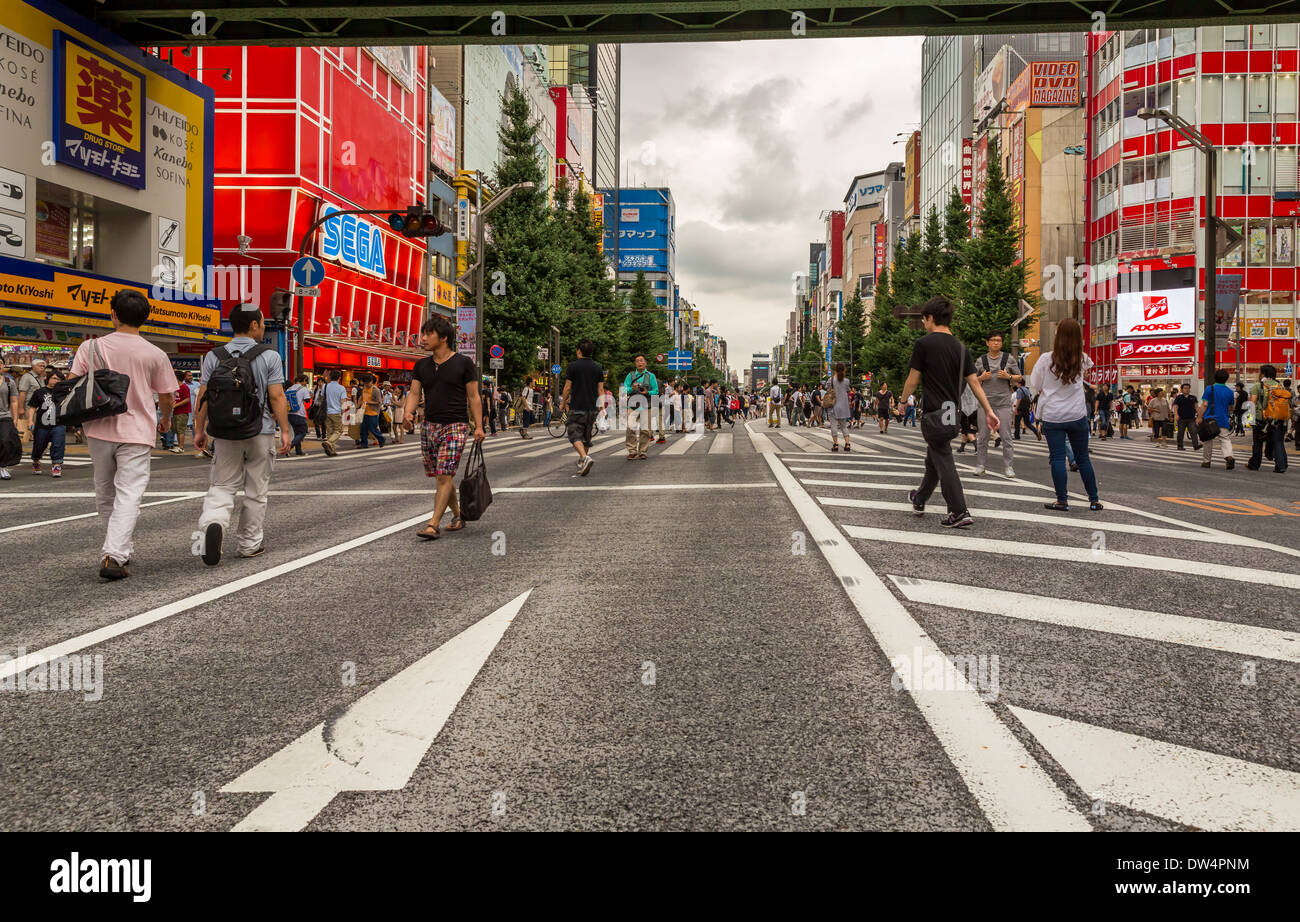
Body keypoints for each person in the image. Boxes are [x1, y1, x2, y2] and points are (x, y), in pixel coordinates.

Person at [71, 290, 178, 579]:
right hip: (137, 430)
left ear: (113, 314)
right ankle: (115, 554)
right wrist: (165, 420)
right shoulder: (154, 353)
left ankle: (116, 549)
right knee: (129, 493)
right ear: (145, 318)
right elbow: (167, 396)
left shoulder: (90, 348)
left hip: (98, 428)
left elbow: (73, 384)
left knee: (105, 491)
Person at [193, 305, 292, 566]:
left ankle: (213, 522)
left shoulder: (214, 356)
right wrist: (285, 429)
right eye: (261, 322)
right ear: (254, 325)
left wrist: (199, 429)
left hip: (224, 432)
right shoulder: (270, 356)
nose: (262, 326)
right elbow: (276, 395)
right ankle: (249, 543)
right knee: (255, 491)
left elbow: (203, 396)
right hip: (260, 430)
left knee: (222, 485)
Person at [898, 296, 1001, 528]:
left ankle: (959, 510)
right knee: (934, 458)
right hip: (952, 414)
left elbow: (913, 379)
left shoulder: (924, 344)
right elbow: (974, 383)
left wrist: (903, 402)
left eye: (925, 319)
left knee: (943, 458)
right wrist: (989, 411)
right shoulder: (961, 348)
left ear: (931, 318)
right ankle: (920, 498)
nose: (924, 324)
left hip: (934, 413)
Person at [403, 315, 485, 539]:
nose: (423, 338)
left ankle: (433, 524)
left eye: (429, 334)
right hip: (429, 426)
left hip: (455, 426)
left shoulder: (463, 363)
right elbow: (414, 392)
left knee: (444, 475)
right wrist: (408, 412)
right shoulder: (421, 365)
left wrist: (479, 426)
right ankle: (458, 515)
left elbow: (474, 396)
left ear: (444, 338)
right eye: (423, 333)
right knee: (442, 477)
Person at [1029, 319, 1103, 512]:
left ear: (1057, 336)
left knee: (1057, 458)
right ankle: (1094, 500)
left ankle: (1062, 500)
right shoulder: (1083, 359)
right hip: (1077, 415)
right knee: (1083, 458)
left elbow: (1036, 384)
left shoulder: (1046, 359)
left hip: (1053, 415)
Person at [973, 331, 1022, 478]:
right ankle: (980, 466)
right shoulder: (981, 360)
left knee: (1007, 437)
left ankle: (1009, 467)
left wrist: (1009, 376)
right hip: (984, 404)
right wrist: (981, 377)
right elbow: (973, 381)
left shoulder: (1009, 359)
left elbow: (1019, 377)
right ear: (987, 343)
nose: (996, 343)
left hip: (1003, 404)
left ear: (1002, 343)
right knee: (983, 437)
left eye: (999, 340)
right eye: (993, 340)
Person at [559, 338, 605, 476]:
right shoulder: (597, 367)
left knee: (574, 434)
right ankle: (582, 463)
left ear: (579, 350)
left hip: (577, 406)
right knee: (586, 437)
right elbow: (601, 390)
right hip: (592, 408)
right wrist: (602, 407)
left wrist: (562, 403)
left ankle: (585, 458)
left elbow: (567, 387)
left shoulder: (573, 366)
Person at [1246, 364, 1289, 473]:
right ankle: (1281, 465)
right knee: (1278, 442)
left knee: (1258, 442)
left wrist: (1249, 419)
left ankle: (1254, 464)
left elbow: (1252, 403)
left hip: (1261, 419)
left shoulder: (1258, 386)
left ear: (1263, 374)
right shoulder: (1279, 386)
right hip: (1277, 419)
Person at [26, 368, 67, 478]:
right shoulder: (39, 392)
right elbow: (32, 407)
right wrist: (30, 421)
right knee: (39, 445)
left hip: (59, 422)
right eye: (54, 378)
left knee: (58, 443)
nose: (56, 381)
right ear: (48, 379)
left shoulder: (64, 393)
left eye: (59, 379)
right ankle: (36, 460)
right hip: (42, 424)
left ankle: (56, 465)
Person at [622, 354, 659, 459]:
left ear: (645, 363)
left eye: (641, 360)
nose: (639, 363)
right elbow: (624, 389)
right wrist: (631, 389)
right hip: (632, 405)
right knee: (630, 428)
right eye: (637, 361)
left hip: (646, 404)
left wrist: (648, 392)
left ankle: (643, 451)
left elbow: (656, 391)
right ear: (635, 363)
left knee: (645, 429)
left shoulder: (651, 376)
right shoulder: (630, 375)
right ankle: (632, 451)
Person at [1198, 369, 1236, 470]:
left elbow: (1205, 404)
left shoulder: (1209, 389)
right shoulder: (1229, 391)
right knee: (1225, 439)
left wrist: (1199, 417)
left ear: (1215, 377)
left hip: (1209, 419)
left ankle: (1206, 461)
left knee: (1208, 440)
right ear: (1226, 379)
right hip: (1223, 419)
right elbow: (1231, 407)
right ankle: (1229, 456)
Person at [17, 357, 46, 444]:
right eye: (40, 366)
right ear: (33, 367)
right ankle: (27, 439)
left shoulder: (40, 377)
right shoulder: (27, 377)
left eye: (43, 366)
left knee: (35, 424)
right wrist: (21, 408)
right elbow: (22, 393)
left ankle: (32, 437)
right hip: (28, 406)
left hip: (39, 406)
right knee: (29, 423)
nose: (42, 368)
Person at [320, 370, 347, 456]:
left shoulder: (325, 386)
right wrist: (344, 413)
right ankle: (329, 442)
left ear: (330, 377)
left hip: (326, 411)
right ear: (339, 378)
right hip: (336, 412)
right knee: (339, 430)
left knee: (330, 431)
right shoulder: (341, 388)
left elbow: (321, 396)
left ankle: (331, 451)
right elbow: (343, 401)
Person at [0, 368, 20, 481]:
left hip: (5, 415)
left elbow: (14, 401)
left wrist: (15, 417)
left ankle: (3, 466)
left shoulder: (9, 381)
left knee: (5, 440)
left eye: (1, 363)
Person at [284, 372, 312, 456]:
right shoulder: (303, 389)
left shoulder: (289, 388)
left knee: (297, 433)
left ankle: (298, 451)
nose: (306, 384)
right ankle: (289, 448)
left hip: (290, 413)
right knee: (302, 432)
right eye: (306, 382)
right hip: (299, 413)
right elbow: (307, 400)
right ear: (303, 380)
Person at [356, 374, 386, 448]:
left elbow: (379, 402)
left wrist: (368, 402)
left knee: (372, 428)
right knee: (363, 429)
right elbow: (361, 398)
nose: (366, 384)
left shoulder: (375, 390)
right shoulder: (364, 388)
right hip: (364, 412)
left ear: (371, 381)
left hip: (373, 412)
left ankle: (381, 438)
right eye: (365, 383)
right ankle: (364, 444)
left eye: (368, 383)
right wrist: (357, 407)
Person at [828, 362, 852, 452]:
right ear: (844, 370)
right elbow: (848, 390)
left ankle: (836, 444)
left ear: (835, 370)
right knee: (844, 426)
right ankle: (847, 444)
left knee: (833, 426)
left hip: (833, 406)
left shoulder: (831, 380)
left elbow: (828, 389)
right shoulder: (846, 381)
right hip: (843, 407)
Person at [1172, 383, 1200, 451]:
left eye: (1188, 388)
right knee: (1181, 432)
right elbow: (1175, 406)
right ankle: (1180, 446)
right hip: (1181, 418)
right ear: (1182, 389)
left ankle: (1196, 445)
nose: (1187, 389)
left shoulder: (1193, 397)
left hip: (1191, 418)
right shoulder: (1179, 397)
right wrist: (1176, 415)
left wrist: (1199, 416)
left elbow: (1196, 407)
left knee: (1194, 432)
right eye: (1185, 388)